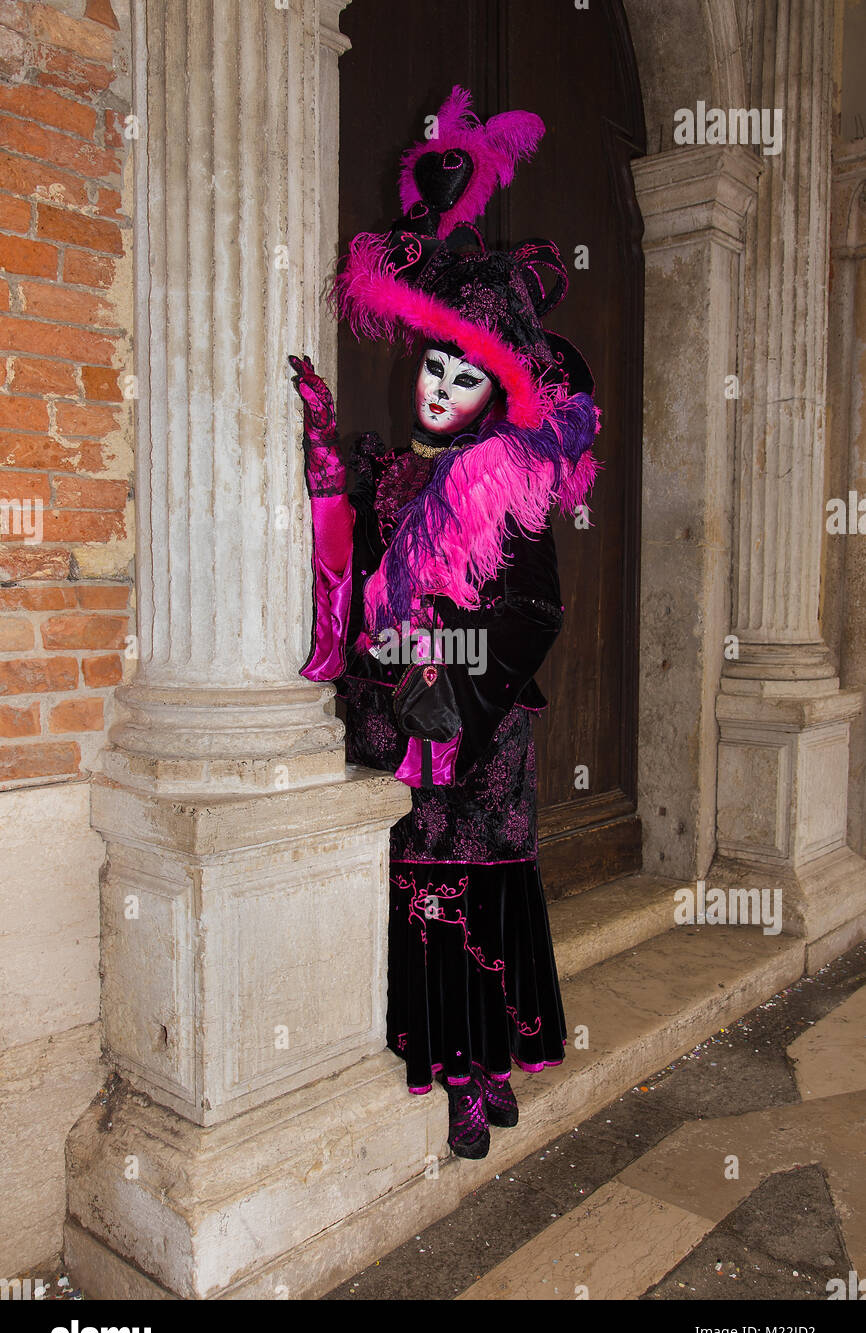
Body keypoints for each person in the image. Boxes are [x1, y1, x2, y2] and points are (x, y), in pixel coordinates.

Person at [290, 86, 601, 1160]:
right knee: (421, 891)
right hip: (399, 727)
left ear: (490, 393)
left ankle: (485, 1069)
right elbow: (352, 580)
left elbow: (536, 609)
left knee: (478, 886)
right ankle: (456, 1071)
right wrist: (330, 473)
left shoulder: (505, 481)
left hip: (478, 729)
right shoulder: (394, 476)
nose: (441, 387)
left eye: (466, 375)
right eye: (434, 364)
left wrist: (450, 688)